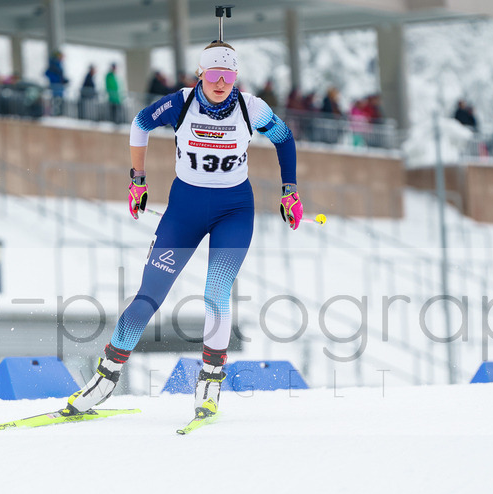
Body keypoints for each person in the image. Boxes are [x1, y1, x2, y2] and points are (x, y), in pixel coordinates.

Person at [63, 38, 302, 421]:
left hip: (234, 212)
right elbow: (140, 123)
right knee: (147, 297)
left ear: (235, 76)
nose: (221, 83)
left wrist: (289, 190)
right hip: (183, 214)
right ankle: (106, 378)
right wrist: (137, 179)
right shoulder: (181, 103)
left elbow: (284, 139)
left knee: (216, 292)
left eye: (228, 75)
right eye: (213, 74)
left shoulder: (250, 107)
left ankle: (210, 380)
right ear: (200, 74)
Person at [45, 50, 69, 115]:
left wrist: (63, 80)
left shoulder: (58, 64)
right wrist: (56, 80)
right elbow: (47, 73)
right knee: (56, 101)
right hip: (56, 86)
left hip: (59, 86)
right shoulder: (54, 64)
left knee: (59, 101)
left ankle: (58, 114)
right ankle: (55, 114)